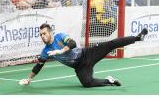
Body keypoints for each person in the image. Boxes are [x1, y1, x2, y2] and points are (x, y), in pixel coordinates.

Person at [19, 23, 148, 88]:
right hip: (80, 66)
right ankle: (109, 81)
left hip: (87, 54)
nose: (42, 36)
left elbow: (73, 43)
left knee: (110, 44)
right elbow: (38, 66)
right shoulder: (45, 51)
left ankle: (137, 37)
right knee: (87, 83)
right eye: (40, 34)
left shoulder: (60, 36)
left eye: (44, 33)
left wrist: (61, 51)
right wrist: (29, 79)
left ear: (50, 33)